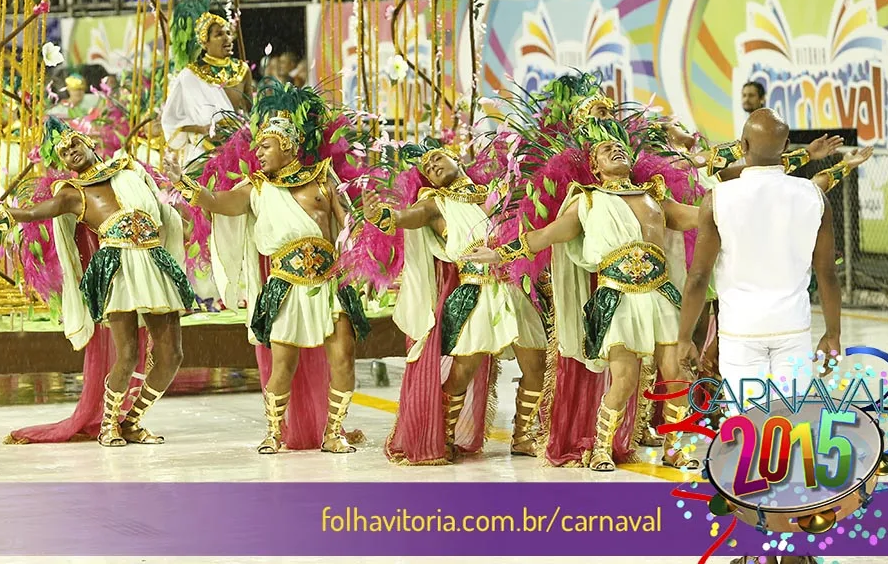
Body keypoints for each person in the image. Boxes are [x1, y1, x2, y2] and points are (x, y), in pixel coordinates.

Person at [467, 121, 701, 472]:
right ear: (595, 167)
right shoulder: (588, 200)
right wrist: (501, 254)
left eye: (619, 146)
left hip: (660, 293)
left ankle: (675, 446)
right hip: (617, 296)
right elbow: (546, 235)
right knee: (624, 379)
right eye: (605, 150)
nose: (615, 150)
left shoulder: (656, 197)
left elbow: (700, 217)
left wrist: (734, 203)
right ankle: (603, 446)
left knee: (677, 372)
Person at [0, 117, 197, 447]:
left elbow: (164, 211)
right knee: (127, 353)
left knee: (172, 354)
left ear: (91, 144)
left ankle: (133, 420)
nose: (69, 150)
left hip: (154, 261)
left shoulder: (131, 173)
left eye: (73, 143)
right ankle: (109, 425)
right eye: (62, 151)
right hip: (117, 267)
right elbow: (31, 214)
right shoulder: (73, 194)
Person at [169, 80, 367, 454]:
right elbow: (220, 202)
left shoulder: (323, 176)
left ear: (288, 146)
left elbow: (348, 222)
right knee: (283, 365)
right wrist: (190, 188)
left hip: (330, 283)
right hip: (286, 284)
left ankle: (334, 432)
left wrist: (361, 256)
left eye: (265, 145)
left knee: (343, 355)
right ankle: (275, 433)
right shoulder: (255, 187)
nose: (257, 152)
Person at [360, 142, 550, 463]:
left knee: (536, 365)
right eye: (426, 169)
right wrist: (380, 215)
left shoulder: (496, 193)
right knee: (462, 372)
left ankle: (523, 436)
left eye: (436, 158)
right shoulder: (436, 204)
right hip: (475, 293)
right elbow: (408, 217)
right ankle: (444, 436)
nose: (432, 165)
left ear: (456, 158)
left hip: (513, 290)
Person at [677, 109, 872, 405]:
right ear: (786, 146)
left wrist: (684, 338)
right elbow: (828, 275)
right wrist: (833, 334)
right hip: (792, 326)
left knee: (744, 423)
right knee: (792, 420)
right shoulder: (812, 196)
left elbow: (699, 277)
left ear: (742, 146)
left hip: (740, 329)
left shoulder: (718, 198)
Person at [160, 0, 253, 168]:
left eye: (228, 32)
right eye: (219, 34)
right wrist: (203, 130)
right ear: (205, 42)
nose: (227, 38)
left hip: (237, 150)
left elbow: (251, 113)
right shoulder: (189, 75)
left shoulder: (242, 70)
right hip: (203, 153)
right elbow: (170, 120)